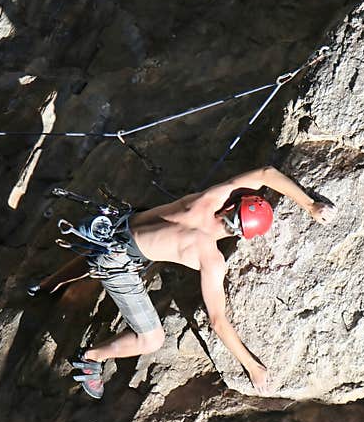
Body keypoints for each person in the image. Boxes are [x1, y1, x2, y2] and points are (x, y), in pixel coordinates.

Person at [37, 165, 337, 399]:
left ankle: (47, 284)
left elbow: (266, 173)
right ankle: (90, 358)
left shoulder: (210, 198)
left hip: (114, 227)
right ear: (241, 235)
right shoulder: (209, 256)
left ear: (236, 204)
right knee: (152, 340)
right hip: (117, 262)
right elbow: (218, 321)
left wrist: (310, 205)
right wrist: (252, 366)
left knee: (108, 249)